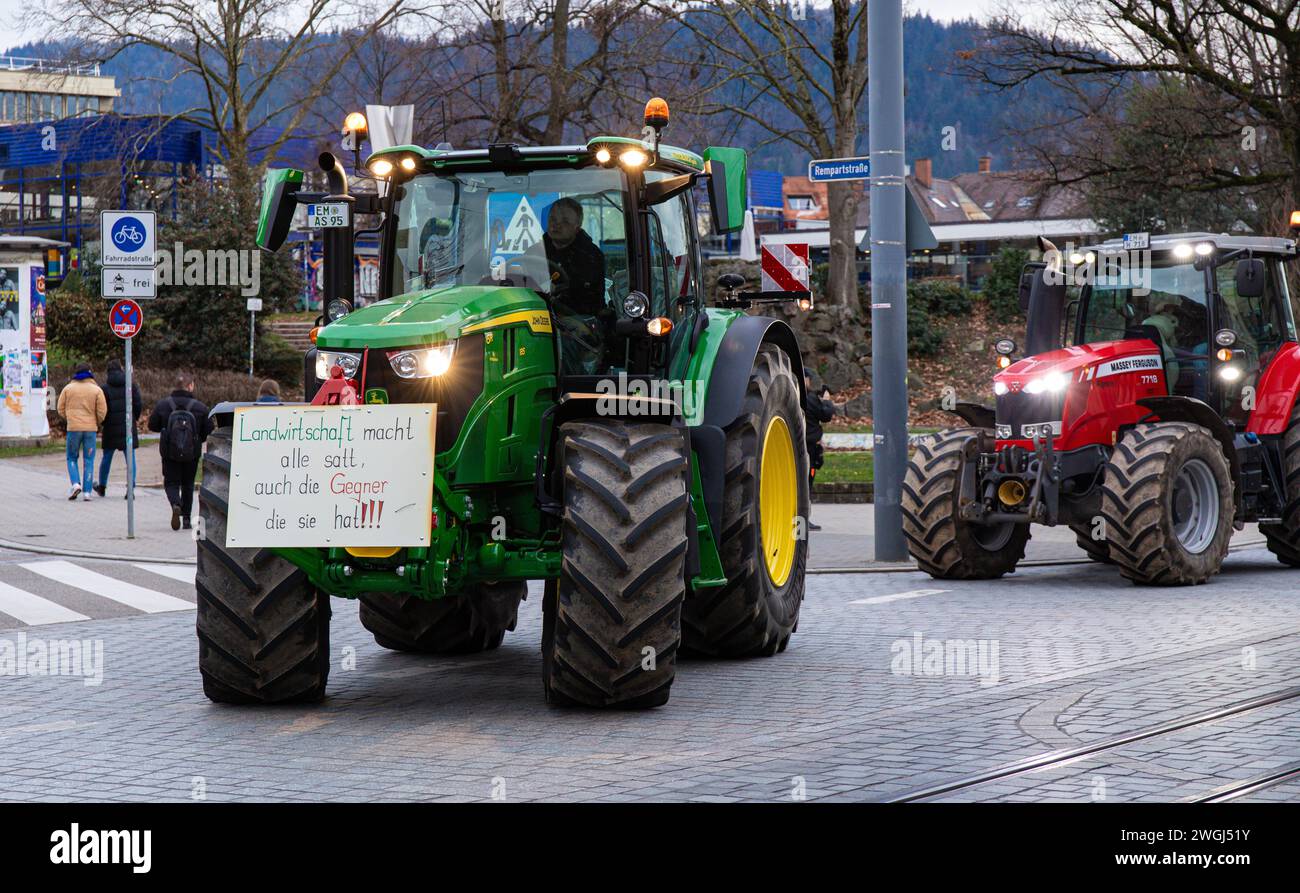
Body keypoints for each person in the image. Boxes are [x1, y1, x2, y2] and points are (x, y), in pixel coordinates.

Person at [148, 374, 214, 531]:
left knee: (171, 482)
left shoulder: (163, 405)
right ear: (190, 386)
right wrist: (197, 440)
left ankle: (176, 503)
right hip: (192, 454)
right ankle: (186, 519)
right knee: (188, 484)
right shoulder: (200, 407)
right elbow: (209, 429)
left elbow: (152, 425)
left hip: (169, 453)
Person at [533, 197, 606, 315]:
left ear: (577, 227)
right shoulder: (535, 252)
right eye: (552, 219)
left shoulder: (591, 255)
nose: (556, 225)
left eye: (565, 221)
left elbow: (587, 292)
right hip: (537, 315)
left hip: (581, 319)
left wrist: (556, 288)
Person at [57, 363, 106, 501]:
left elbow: (60, 408)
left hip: (73, 429)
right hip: (90, 429)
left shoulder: (68, 389)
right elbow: (102, 411)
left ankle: (76, 484)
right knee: (89, 460)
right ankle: (87, 492)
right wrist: (96, 422)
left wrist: (70, 418)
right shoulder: (96, 390)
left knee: (71, 458)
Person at [95, 359, 143, 498]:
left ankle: (102, 486)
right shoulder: (130, 386)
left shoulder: (104, 388)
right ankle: (130, 488)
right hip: (128, 426)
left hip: (110, 427)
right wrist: (134, 418)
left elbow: (102, 409)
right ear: (121, 370)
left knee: (107, 458)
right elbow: (138, 404)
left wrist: (104, 422)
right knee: (130, 458)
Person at [803, 374, 836, 532]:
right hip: (810, 448)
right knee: (806, 483)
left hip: (801, 446)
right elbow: (826, 415)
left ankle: (799, 521)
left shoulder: (796, 396)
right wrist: (827, 400)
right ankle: (803, 521)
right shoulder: (809, 398)